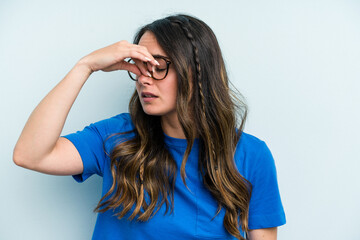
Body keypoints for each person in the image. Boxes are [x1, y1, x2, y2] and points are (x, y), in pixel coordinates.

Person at [13, 14, 286, 240]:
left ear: (196, 70)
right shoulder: (116, 136)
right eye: (140, 66)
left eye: (158, 66)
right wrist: (85, 66)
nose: (144, 79)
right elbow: (30, 154)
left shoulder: (251, 155)